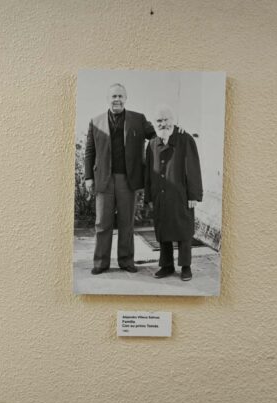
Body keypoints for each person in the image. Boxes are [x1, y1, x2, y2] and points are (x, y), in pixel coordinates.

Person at [83, 83, 156, 275]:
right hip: (103, 180)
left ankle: (126, 261)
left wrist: (171, 130)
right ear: (108, 99)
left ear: (126, 98)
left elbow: (155, 137)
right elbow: (89, 151)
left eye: (120, 96)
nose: (117, 99)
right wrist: (88, 177)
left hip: (127, 179)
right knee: (102, 223)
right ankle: (100, 263)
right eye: (114, 96)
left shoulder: (138, 119)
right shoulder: (95, 121)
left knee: (126, 223)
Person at [143, 106, 202, 281]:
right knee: (163, 230)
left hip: (181, 195)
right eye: (159, 121)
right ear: (154, 124)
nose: (163, 124)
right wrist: (149, 196)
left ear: (173, 120)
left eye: (166, 119)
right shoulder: (152, 143)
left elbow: (193, 169)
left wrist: (193, 195)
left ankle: (186, 266)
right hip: (159, 195)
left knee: (184, 231)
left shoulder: (185, 139)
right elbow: (148, 172)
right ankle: (166, 265)